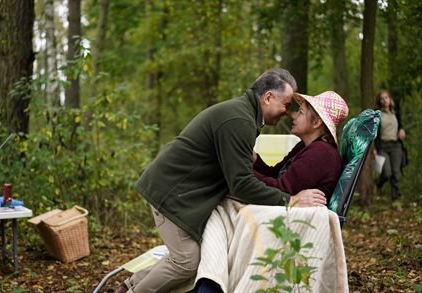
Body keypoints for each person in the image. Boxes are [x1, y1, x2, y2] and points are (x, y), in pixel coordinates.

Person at [116, 68, 327, 293]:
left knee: (192, 256)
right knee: (186, 261)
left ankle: (131, 284)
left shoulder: (242, 114)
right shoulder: (239, 120)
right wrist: (290, 200)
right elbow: (242, 184)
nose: (288, 113)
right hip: (170, 193)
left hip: (178, 191)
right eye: (286, 105)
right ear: (267, 98)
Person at [195, 90, 349, 292]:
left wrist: (237, 173)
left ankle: (211, 283)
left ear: (316, 123)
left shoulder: (321, 154)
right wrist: (253, 159)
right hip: (287, 203)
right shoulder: (304, 147)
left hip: (297, 211)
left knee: (223, 209)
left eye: (301, 112)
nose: (294, 115)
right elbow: (275, 173)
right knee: (222, 208)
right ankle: (211, 278)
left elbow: (282, 188)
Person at [373, 90, 406, 200]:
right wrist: (374, 149)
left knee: (396, 173)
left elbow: (400, 125)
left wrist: (401, 130)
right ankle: (378, 184)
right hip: (383, 147)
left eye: (386, 97)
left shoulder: (395, 112)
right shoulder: (377, 114)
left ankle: (396, 198)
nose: (384, 100)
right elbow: (374, 134)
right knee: (387, 172)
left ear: (390, 98)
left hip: (396, 145)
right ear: (380, 101)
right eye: (382, 98)